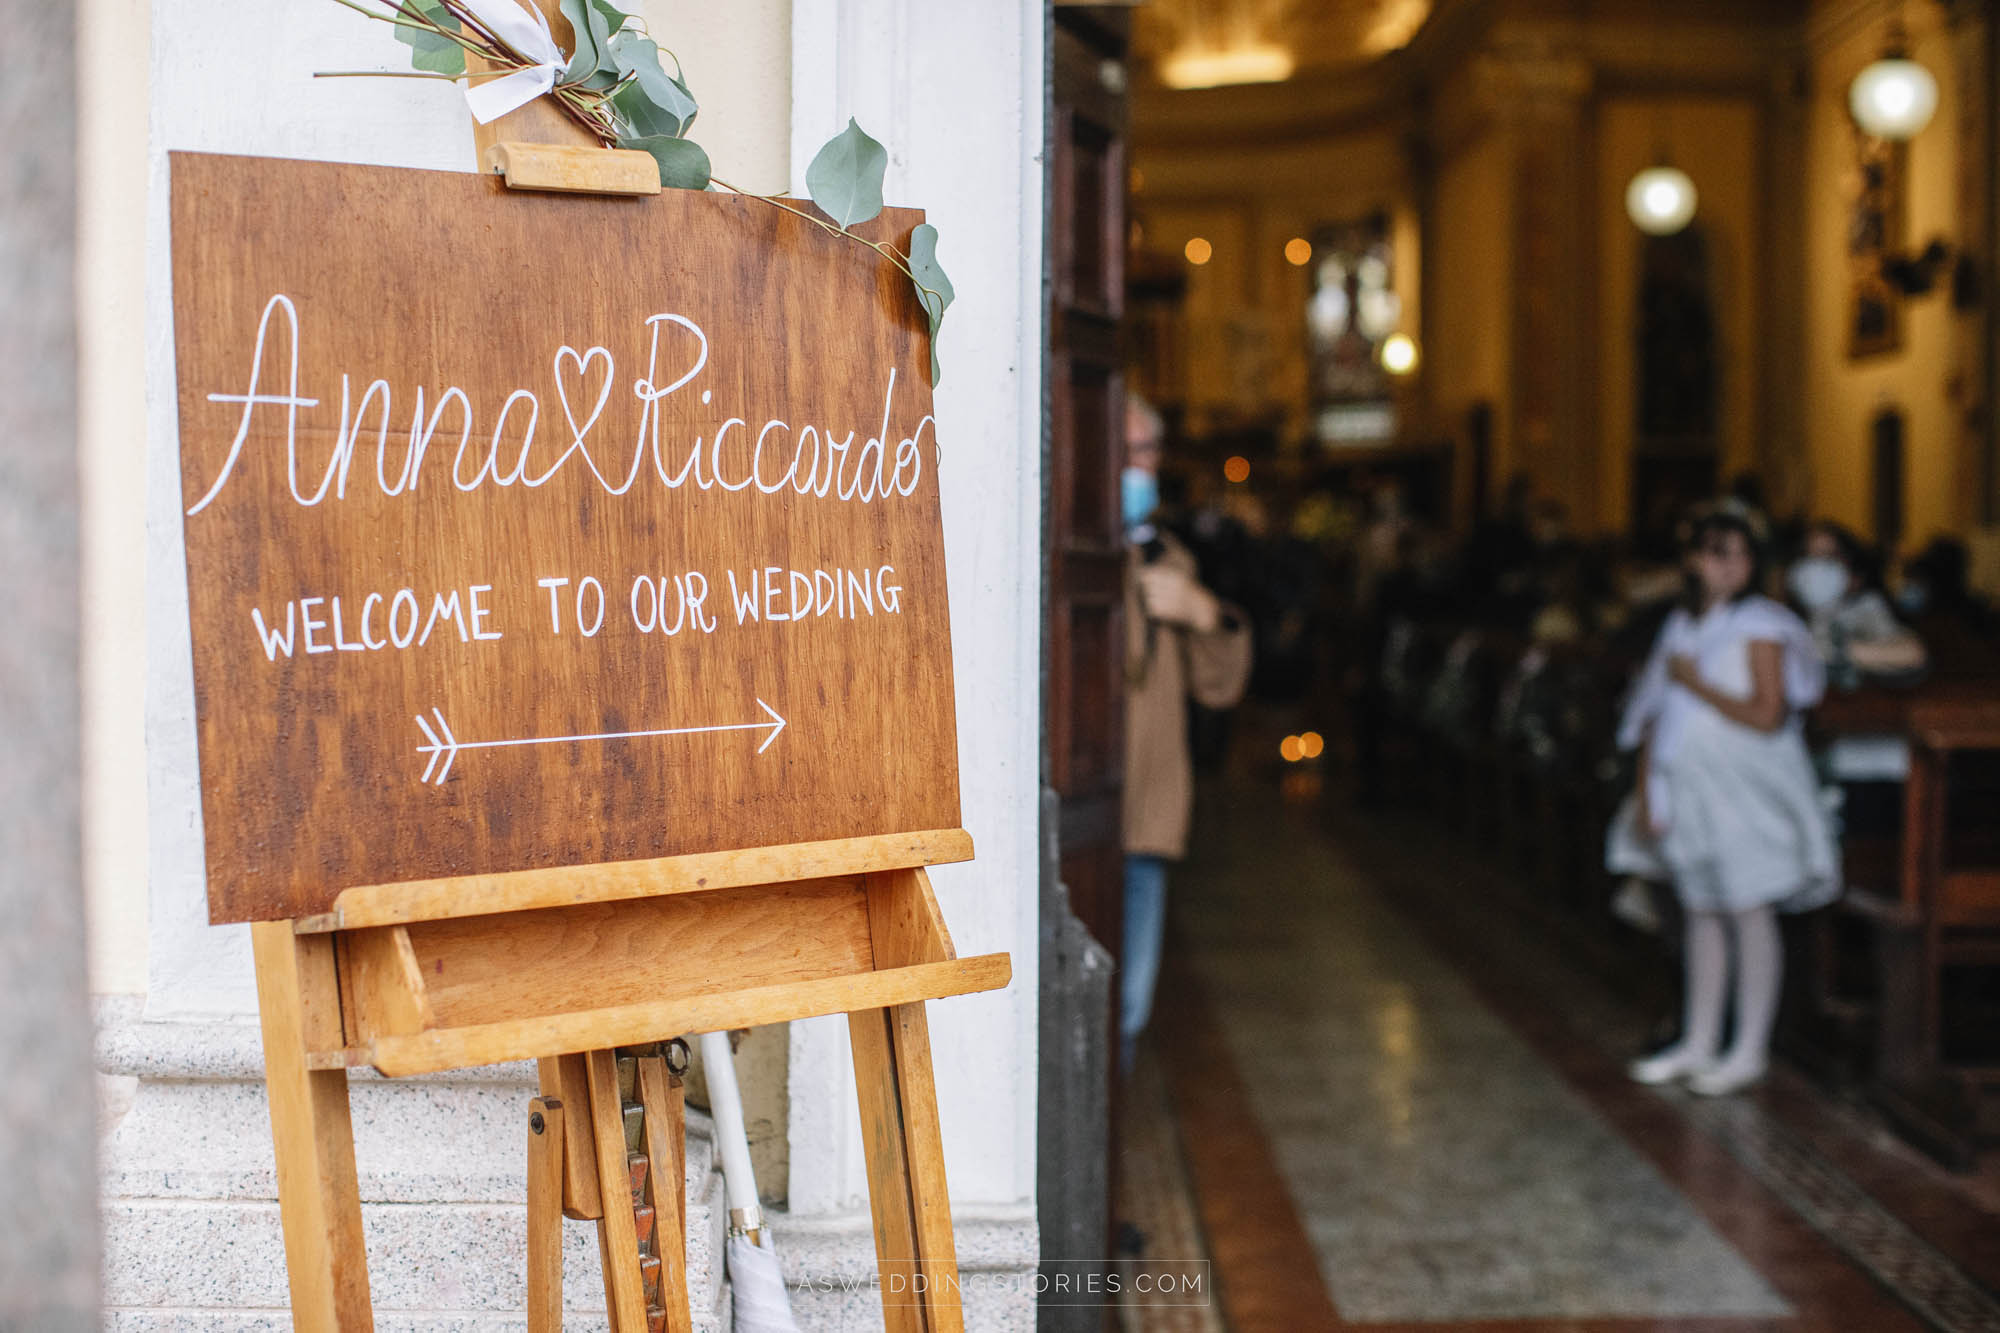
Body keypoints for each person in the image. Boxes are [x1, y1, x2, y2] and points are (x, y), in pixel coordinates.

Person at [1605, 502, 1839, 1096]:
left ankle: (1749, 1047)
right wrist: (1647, 792)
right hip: (1688, 785)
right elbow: (1654, 715)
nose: (1727, 565)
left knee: (1746, 909)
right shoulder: (1683, 624)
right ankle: (1699, 1038)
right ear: (1694, 560)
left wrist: (1698, 684)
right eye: (1716, 552)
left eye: (1739, 554)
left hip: (1744, 789)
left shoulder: (1762, 623)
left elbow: (1768, 712)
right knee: (1700, 910)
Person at [1120, 394, 1252, 1070]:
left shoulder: (1169, 553)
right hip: (1078, 810)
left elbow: (1219, 684)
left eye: (1141, 451)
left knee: (1128, 1008)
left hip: (1147, 808)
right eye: (1118, 450)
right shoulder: (1058, 546)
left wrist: (1203, 613)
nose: (1131, 465)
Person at [1787, 520, 1927, 684]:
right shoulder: (1786, 612)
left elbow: (1911, 654)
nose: (1817, 567)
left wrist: (1840, 652)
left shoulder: (1865, 607)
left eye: (1828, 556)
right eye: (1810, 556)